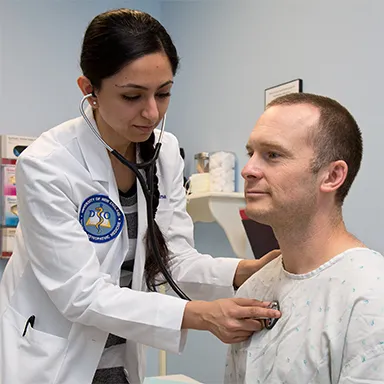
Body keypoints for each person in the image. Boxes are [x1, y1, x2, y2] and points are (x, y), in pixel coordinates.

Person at [0, 8, 281, 384]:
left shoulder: (163, 152)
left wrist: (243, 271)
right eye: (132, 95)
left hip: (123, 354)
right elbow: (81, 295)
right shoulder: (47, 165)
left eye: (163, 94)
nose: (151, 113)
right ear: (90, 90)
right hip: (54, 357)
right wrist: (200, 315)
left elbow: (173, 261)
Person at [224, 92, 384, 383]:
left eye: (273, 155)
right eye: (251, 153)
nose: (248, 170)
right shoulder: (255, 288)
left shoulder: (371, 297)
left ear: (332, 176)